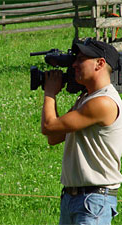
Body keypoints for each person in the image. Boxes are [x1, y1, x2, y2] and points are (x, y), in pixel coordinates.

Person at [41, 38, 122, 224]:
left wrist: (50, 93)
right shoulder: (86, 98)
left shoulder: (103, 102)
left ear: (100, 63)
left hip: (93, 201)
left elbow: (48, 127)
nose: (74, 64)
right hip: (75, 198)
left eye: (81, 59)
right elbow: (53, 138)